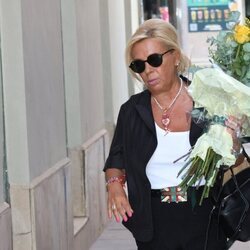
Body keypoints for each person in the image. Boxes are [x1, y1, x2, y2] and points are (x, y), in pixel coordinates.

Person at [103, 19, 242, 250]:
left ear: (175, 56)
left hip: (204, 214)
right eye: (139, 65)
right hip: (153, 220)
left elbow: (233, 157)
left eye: (154, 60)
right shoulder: (131, 111)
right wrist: (115, 186)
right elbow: (115, 161)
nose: (147, 70)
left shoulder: (206, 101)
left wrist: (233, 138)